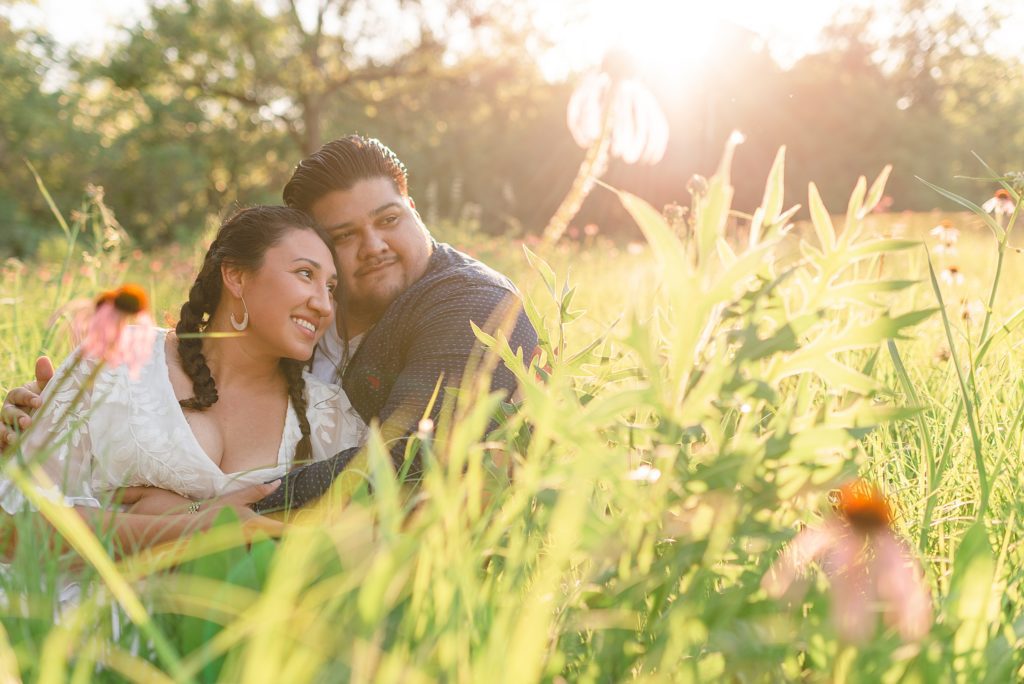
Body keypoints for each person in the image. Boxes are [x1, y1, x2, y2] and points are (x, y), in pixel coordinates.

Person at [2, 135, 538, 514]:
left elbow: (420, 457)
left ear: (414, 208)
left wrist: (205, 512)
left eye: (389, 219)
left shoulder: (472, 304)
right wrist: (57, 406)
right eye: (345, 236)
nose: (373, 247)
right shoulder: (321, 306)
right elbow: (204, 352)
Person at [0, 206, 365, 551]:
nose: (324, 305)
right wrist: (191, 527)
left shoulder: (327, 415)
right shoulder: (118, 361)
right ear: (236, 276)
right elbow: (14, 523)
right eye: (305, 274)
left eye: (331, 288)